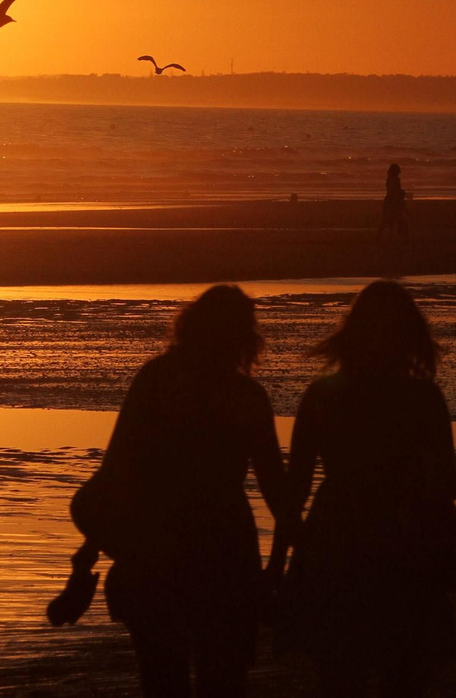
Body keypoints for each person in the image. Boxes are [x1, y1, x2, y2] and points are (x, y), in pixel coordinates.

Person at [82, 285, 288, 698]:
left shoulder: (157, 379)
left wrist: (89, 553)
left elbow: (116, 470)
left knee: (161, 677)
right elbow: (278, 492)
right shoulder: (245, 396)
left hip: (155, 544)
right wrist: (278, 567)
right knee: (224, 679)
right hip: (224, 548)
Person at [275, 280, 456, 698]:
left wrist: (279, 565)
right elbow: (448, 484)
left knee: (341, 673)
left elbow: (296, 489)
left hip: (336, 537)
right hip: (406, 541)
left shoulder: (323, 395)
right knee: (405, 674)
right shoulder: (423, 397)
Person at [379, 164, 409, 244]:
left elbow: (392, 191)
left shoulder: (389, 179)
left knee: (388, 222)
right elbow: (395, 191)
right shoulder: (395, 179)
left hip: (388, 201)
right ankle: (402, 239)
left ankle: (386, 238)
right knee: (398, 221)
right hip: (393, 202)